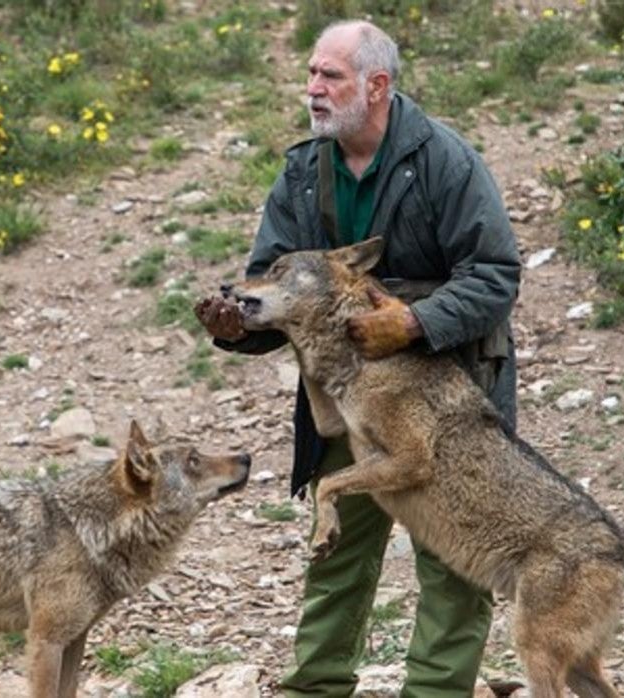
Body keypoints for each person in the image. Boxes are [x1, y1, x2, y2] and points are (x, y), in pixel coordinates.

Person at [193, 19, 521, 698]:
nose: (312, 89)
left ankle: (435, 691)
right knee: (335, 551)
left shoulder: (444, 161)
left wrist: (414, 322)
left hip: (449, 396)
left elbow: (494, 273)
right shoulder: (302, 171)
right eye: (311, 73)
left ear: (377, 85)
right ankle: (316, 688)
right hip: (346, 396)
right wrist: (234, 328)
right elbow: (272, 291)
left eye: (329, 76)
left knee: (454, 560)